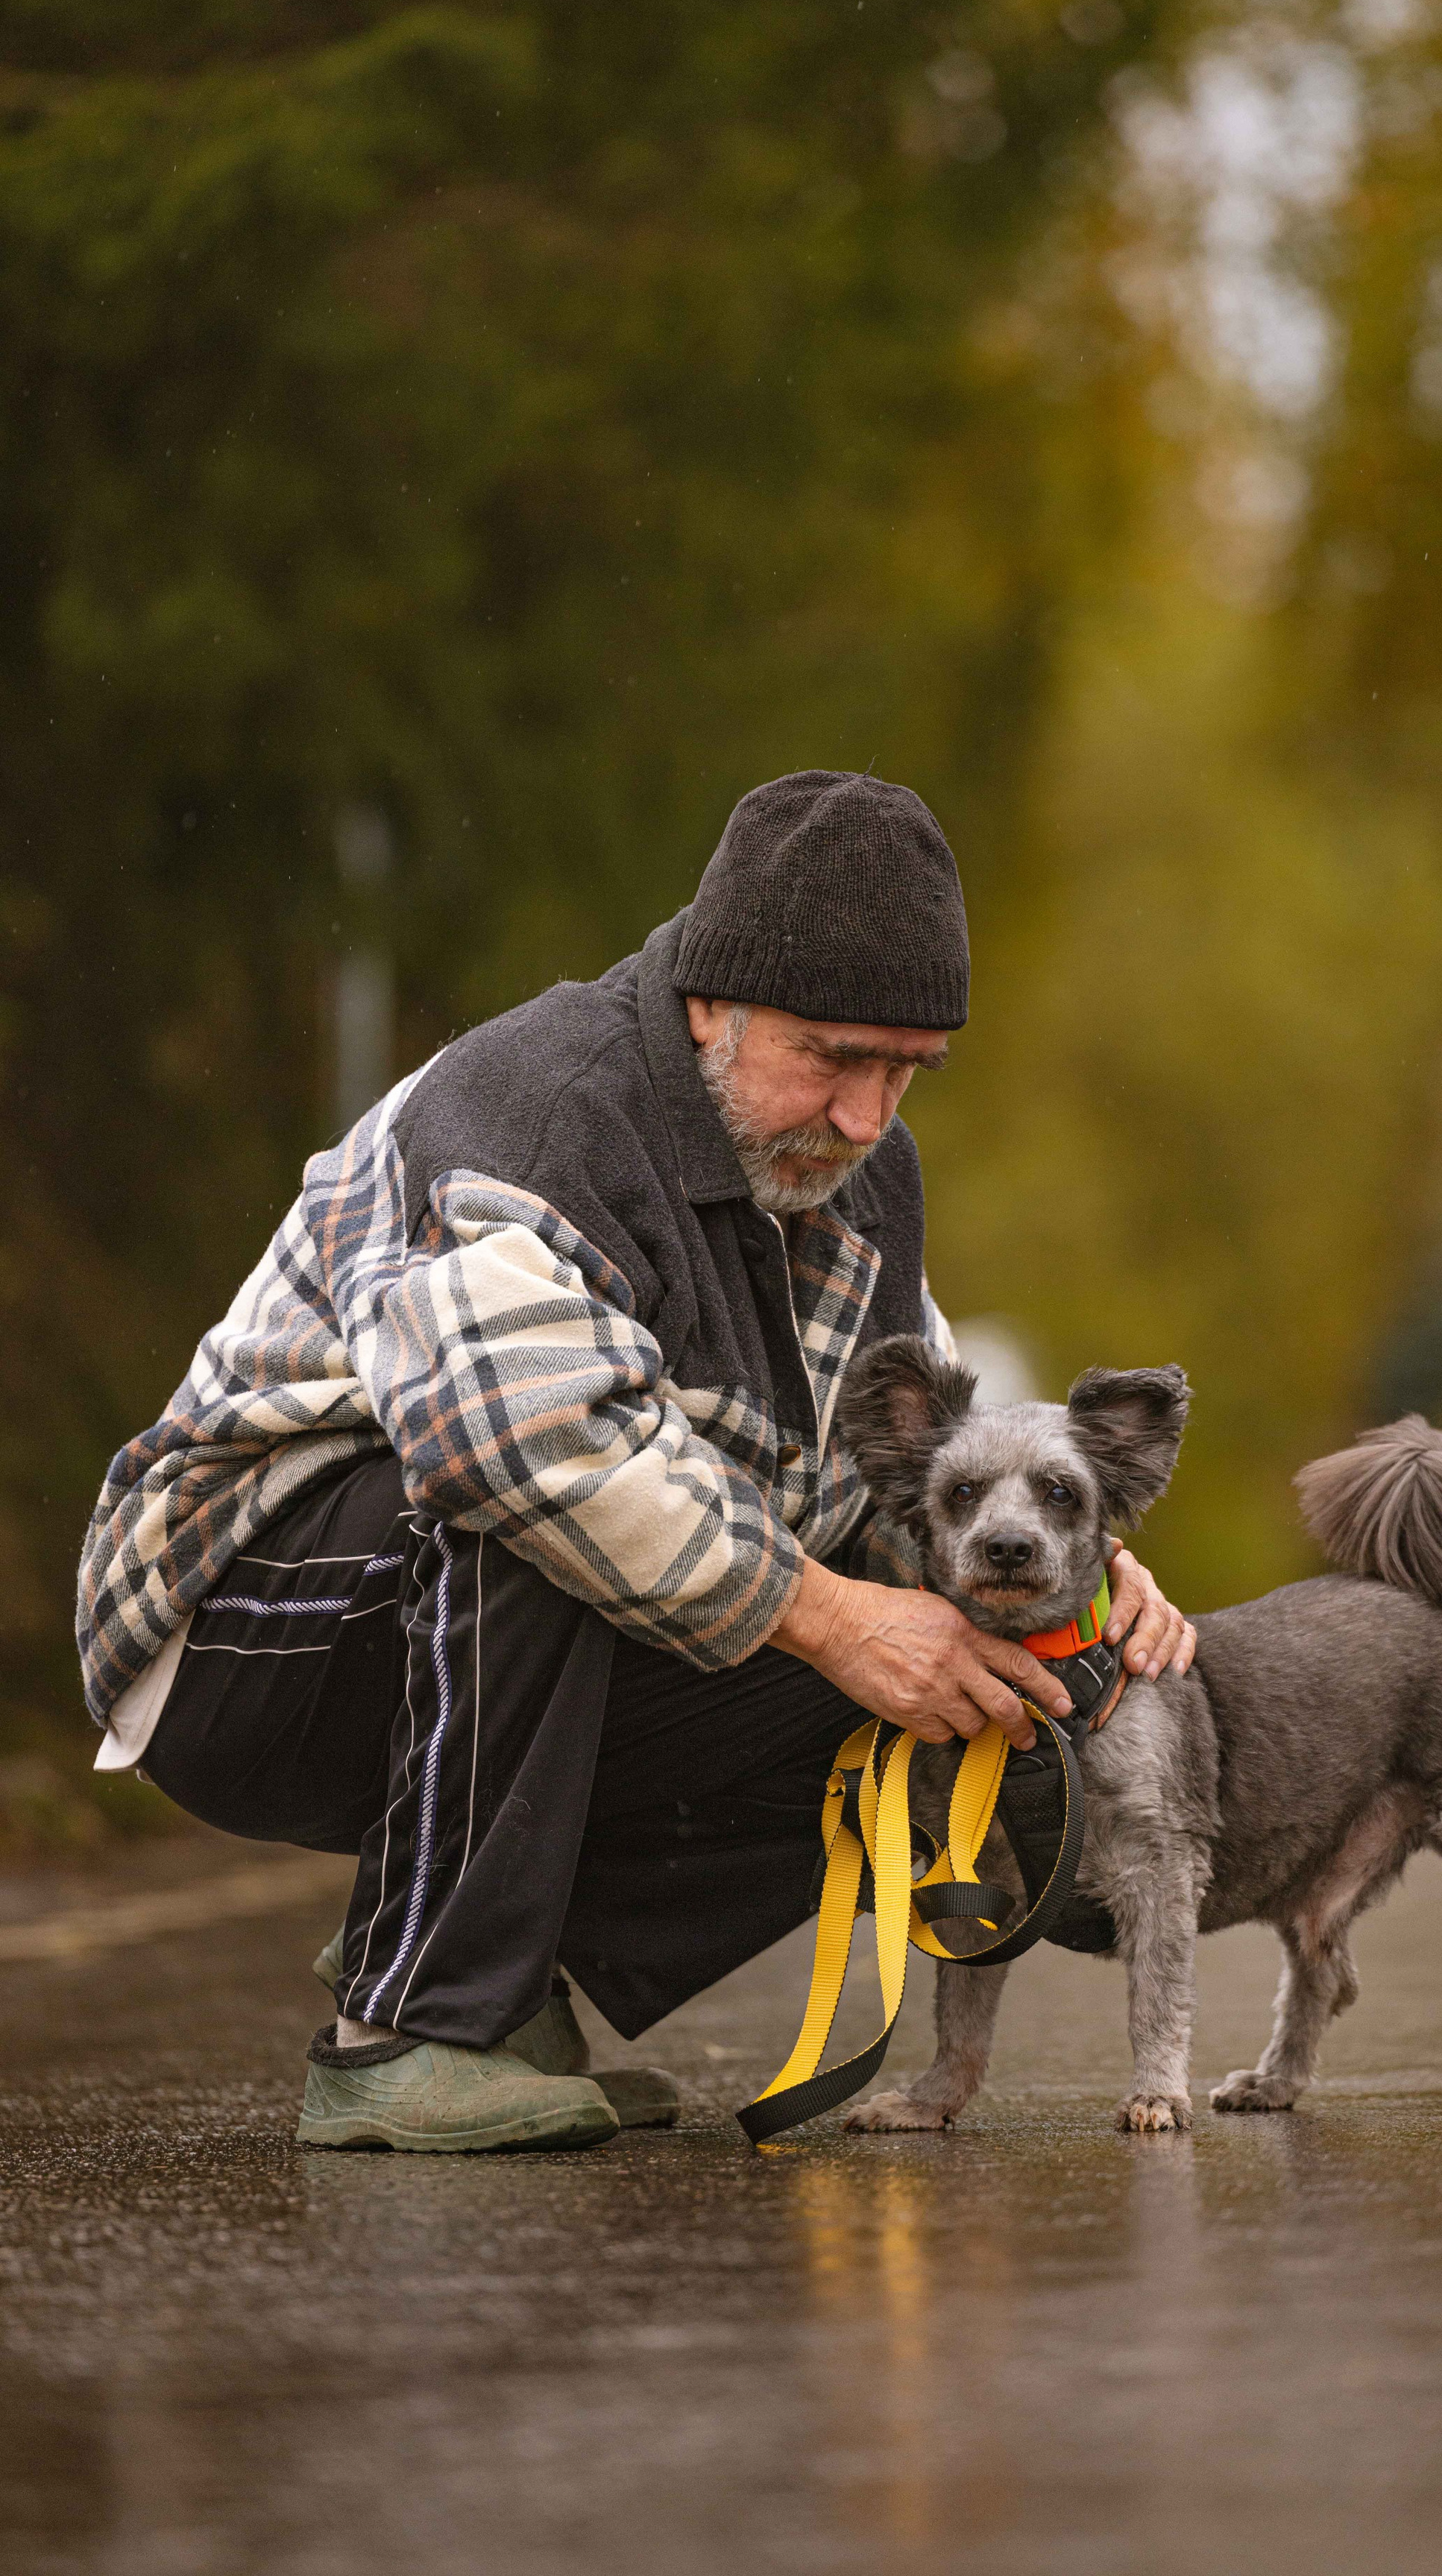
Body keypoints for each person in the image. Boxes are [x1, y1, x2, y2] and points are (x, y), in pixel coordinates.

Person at [78, 771, 1193, 2151]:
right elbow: (511, 1438)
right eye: (834, 1057)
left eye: (907, 1070)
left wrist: (1092, 1579)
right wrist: (837, 1616)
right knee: (553, 1490)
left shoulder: (852, 1173)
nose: (867, 1115)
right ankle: (410, 2025)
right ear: (713, 1003)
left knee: (956, 1673)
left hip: (462, 1634)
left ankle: (506, 1989)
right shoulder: (545, 1106)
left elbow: (923, 1470)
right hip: (233, 1632)